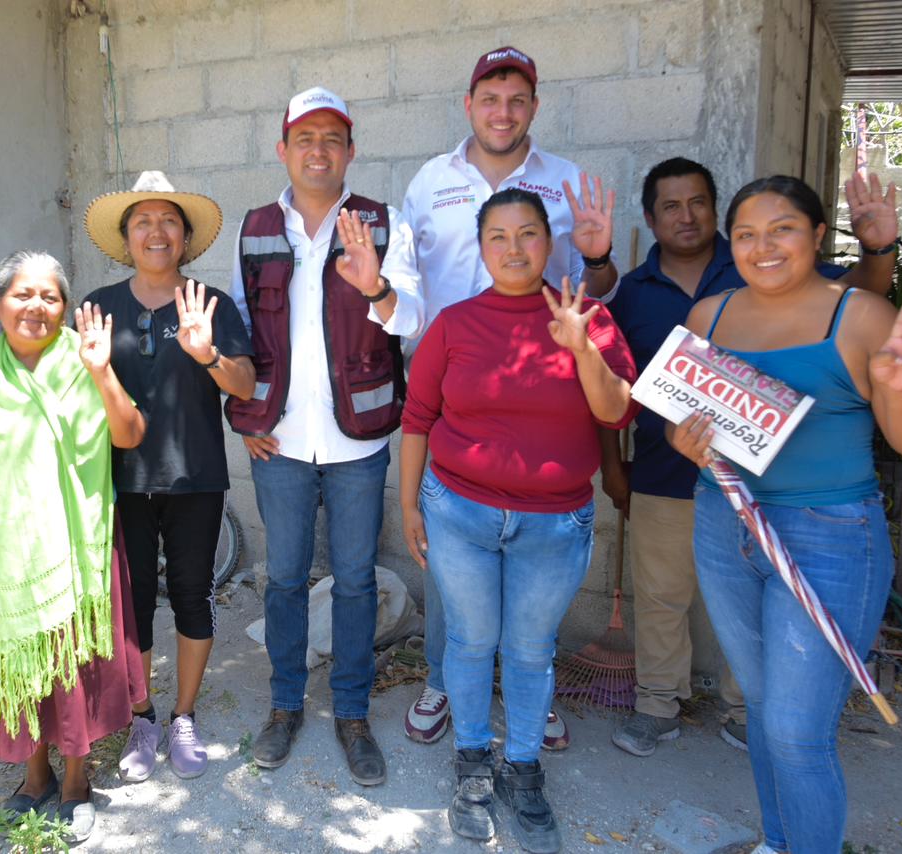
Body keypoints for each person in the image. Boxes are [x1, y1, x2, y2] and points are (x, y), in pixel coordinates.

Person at [667, 175, 902, 854]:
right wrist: (684, 442)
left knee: (798, 730)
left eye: (783, 229)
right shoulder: (707, 317)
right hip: (726, 528)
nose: (763, 247)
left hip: (830, 538)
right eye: (745, 234)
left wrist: (896, 392)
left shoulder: (861, 316)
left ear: (818, 236)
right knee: (763, 710)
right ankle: (779, 842)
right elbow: (685, 422)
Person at [595, 158, 900, 757]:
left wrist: (879, 249)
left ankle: (747, 711)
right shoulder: (631, 292)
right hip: (662, 469)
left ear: (716, 209)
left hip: (761, 485)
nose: (686, 216)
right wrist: (612, 465)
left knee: (753, 605)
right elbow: (610, 382)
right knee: (659, 597)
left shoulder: (763, 265)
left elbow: (858, 297)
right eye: (671, 206)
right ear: (651, 219)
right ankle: (657, 704)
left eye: (698, 202)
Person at [400, 188, 637, 852]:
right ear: (480, 248)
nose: (513, 248)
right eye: (497, 237)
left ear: (549, 243)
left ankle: (524, 767)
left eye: (527, 233)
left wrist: (581, 348)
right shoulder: (454, 323)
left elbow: (618, 411)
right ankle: (473, 760)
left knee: (531, 650)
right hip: (459, 514)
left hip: (554, 525)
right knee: (471, 642)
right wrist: (408, 504)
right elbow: (417, 418)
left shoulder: (588, 317)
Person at [399, 45, 618, 748]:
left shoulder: (566, 182)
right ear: (469, 106)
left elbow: (595, 294)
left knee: (529, 590)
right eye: (490, 99)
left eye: (517, 99)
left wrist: (598, 259)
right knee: (452, 554)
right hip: (452, 380)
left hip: (543, 387)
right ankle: (444, 678)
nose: (503, 112)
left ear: (534, 107)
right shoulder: (430, 181)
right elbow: (403, 285)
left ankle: (529, 689)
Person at [227, 86, 422, 786]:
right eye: (305, 138)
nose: (318, 150)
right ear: (283, 150)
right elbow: (237, 333)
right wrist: (247, 417)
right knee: (283, 578)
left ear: (350, 151)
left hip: (358, 444)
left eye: (332, 139)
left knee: (356, 582)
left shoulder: (382, 223)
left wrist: (376, 288)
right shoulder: (255, 228)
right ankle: (284, 706)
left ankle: (351, 713)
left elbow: (413, 320)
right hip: (279, 441)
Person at [0, 251, 148, 845]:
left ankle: (76, 781)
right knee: (19, 659)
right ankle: (35, 775)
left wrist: (102, 372)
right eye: (22, 294)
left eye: (49, 297)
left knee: (71, 664)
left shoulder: (84, 361)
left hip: (74, 542)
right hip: (2, 546)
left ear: (64, 307)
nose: (36, 306)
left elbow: (130, 434)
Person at [82, 172, 255, 781]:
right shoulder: (98, 306)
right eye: (143, 222)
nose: (156, 232)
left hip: (195, 478)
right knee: (130, 606)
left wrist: (208, 353)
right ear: (126, 237)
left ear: (184, 236)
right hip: (120, 481)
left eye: (168, 222)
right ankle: (142, 717)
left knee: (191, 595)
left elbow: (244, 384)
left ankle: (183, 715)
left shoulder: (211, 303)